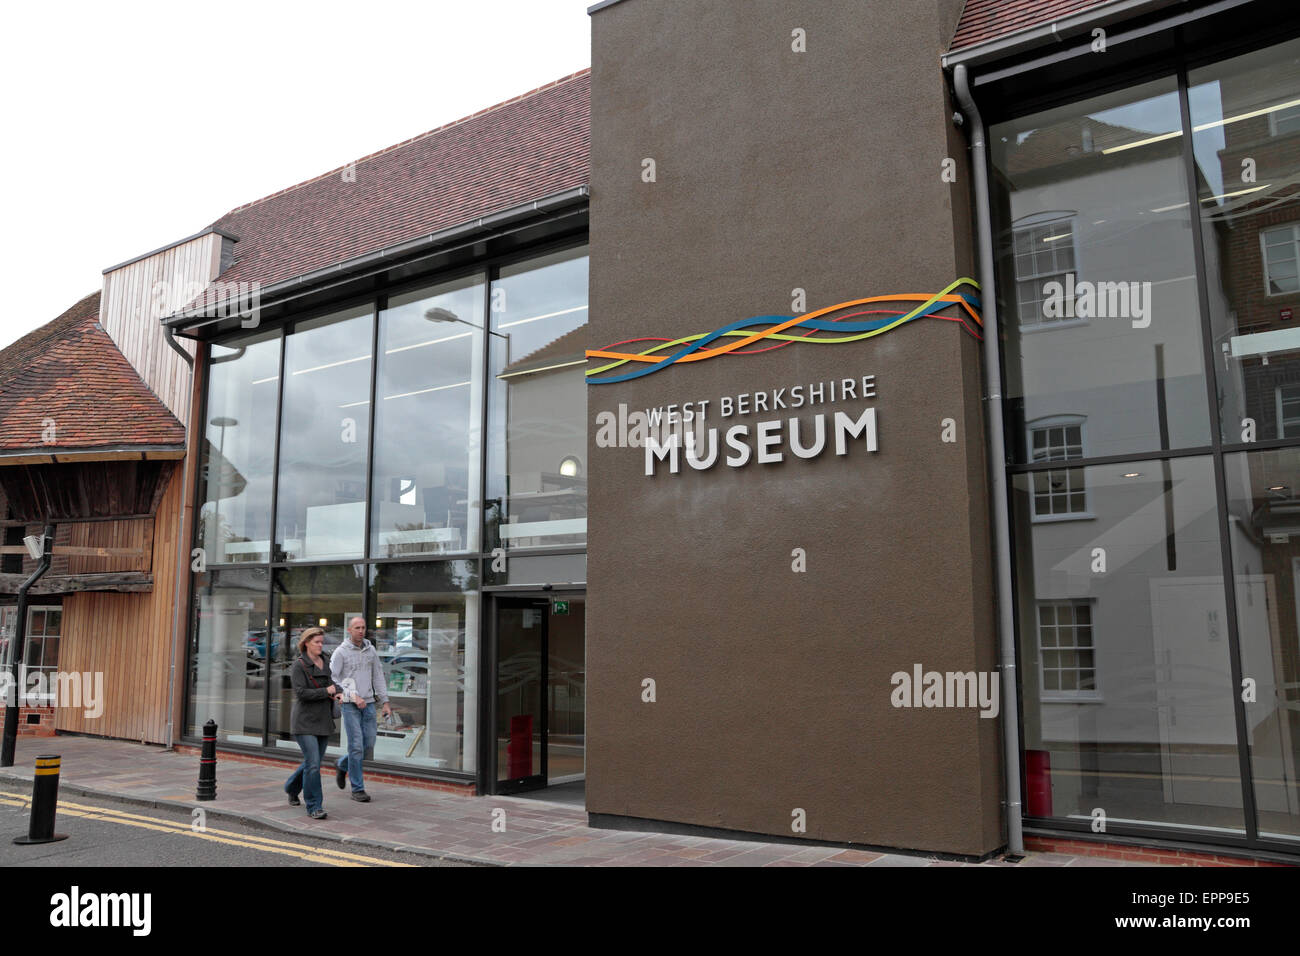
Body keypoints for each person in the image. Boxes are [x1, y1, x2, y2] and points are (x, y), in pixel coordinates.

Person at [285, 627, 344, 820]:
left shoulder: (326, 662)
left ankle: (291, 788)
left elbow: (334, 683)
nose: (321, 645)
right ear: (306, 643)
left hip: (323, 720)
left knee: (313, 762)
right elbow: (301, 693)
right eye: (317, 642)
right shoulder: (299, 666)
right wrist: (326, 691)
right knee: (313, 765)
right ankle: (314, 806)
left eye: (322, 641)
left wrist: (339, 691)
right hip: (304, 721)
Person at [331, 616, 391, 801]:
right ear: (349, 630)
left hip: (369, 704)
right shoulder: (340, 652)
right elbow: (332, 678)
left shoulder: (370, 650)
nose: (361, 630)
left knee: (368, 745)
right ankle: (357, 789)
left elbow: (378, 676)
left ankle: (342, 764)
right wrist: (352, 695)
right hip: (350, 705)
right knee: (356, 746)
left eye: (363, 627)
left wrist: (385, 702)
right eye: (357, 627)